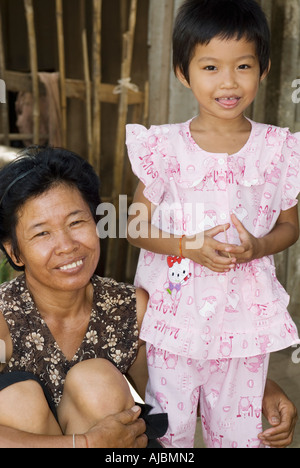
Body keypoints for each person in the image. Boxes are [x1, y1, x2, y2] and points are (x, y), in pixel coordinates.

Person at [126, 0, 300, 448]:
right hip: (177, 312)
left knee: (242, 434)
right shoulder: (163, 147)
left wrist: (258, 248)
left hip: (244, 317)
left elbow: (289, 226)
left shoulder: (278, 149)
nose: (228, 81)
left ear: (262, 69)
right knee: (172, 430)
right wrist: (187, 245)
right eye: (210, 66)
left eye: (243, 65)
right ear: (184, 73)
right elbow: (135, 225)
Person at [0, 146, 168, 448]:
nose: (66, 246)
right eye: (41, 233)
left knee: (97, 380)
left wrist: (259, 391)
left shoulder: (129, 309)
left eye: (76, 222)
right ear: (15, 252)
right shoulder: (3, 316)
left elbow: (172, 396)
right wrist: (86, 443)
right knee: (16, 399)